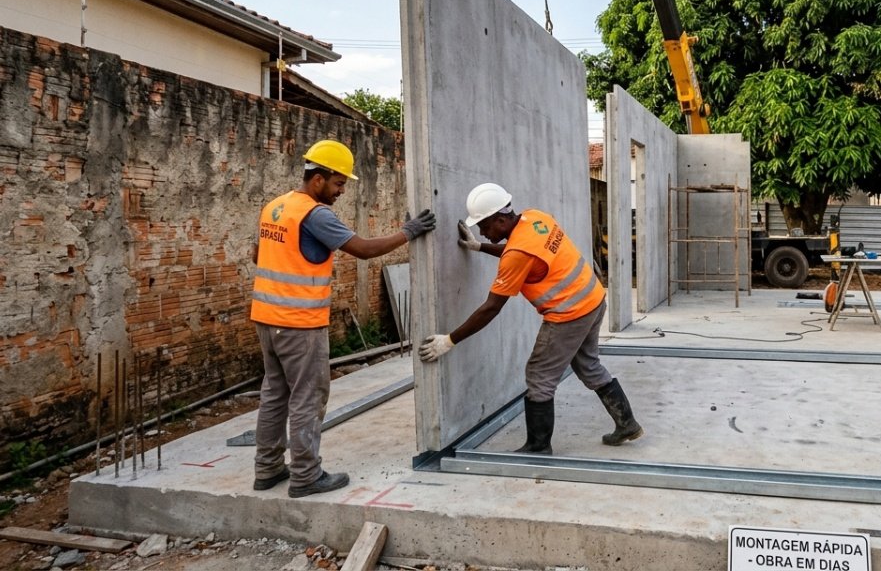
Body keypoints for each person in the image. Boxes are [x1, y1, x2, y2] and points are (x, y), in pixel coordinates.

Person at [250, 139, 436, 497]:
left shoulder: (275, 207)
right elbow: (363, 250)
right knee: (308, 396)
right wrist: (408, 232)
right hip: (299, 322)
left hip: (266, 318)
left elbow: (260, 253)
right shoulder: (315, 214)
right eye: (338, 184)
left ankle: (268, 468)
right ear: (318, 178)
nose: (340, 192)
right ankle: (305, 475)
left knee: (274, 394)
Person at [418, 182, 642, 455]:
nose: (482, 231)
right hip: (593, 300)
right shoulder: (536, 218)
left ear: (501, 219)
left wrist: (449, 341)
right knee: (589, 365)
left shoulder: (517, 254)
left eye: (484, 226)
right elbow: (523, 251)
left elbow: (491, 307)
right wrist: (479, 247)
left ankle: (538, 447)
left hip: (568, 314)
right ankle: (627, 424)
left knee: (539, 376)